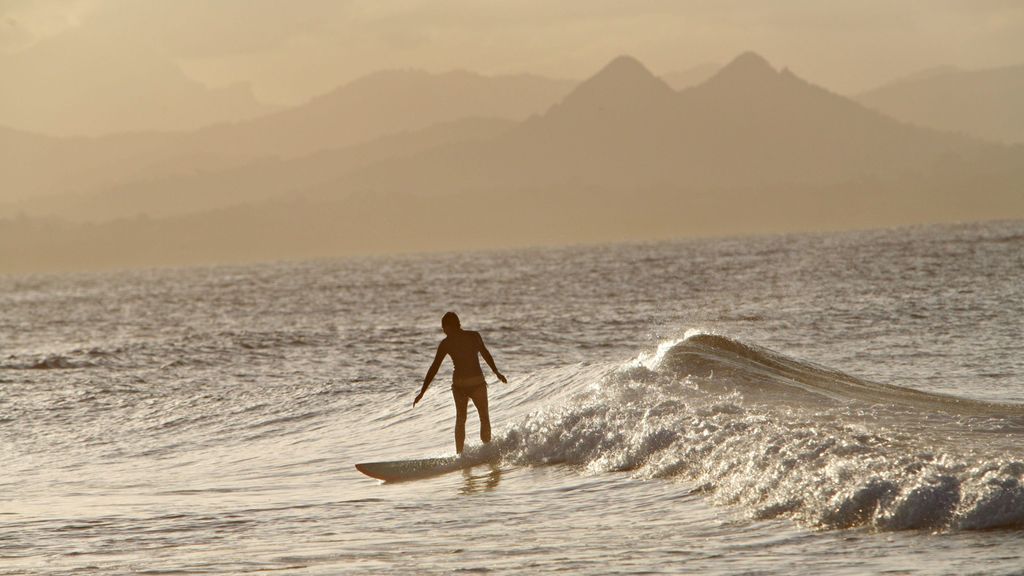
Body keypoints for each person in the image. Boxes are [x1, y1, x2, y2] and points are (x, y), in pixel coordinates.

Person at [413, 312, 507, 454]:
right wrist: (496, 373)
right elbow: (486, 354)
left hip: (461, 386)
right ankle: (486, 451)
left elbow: (434, 368)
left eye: (444, 328)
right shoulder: (474, 336)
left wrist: (423, 391)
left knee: (461, 420)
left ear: (450, 326)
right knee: (483, 417)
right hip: (475, 383)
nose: (443, 331)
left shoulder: (447, 343)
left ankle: (461, 456)